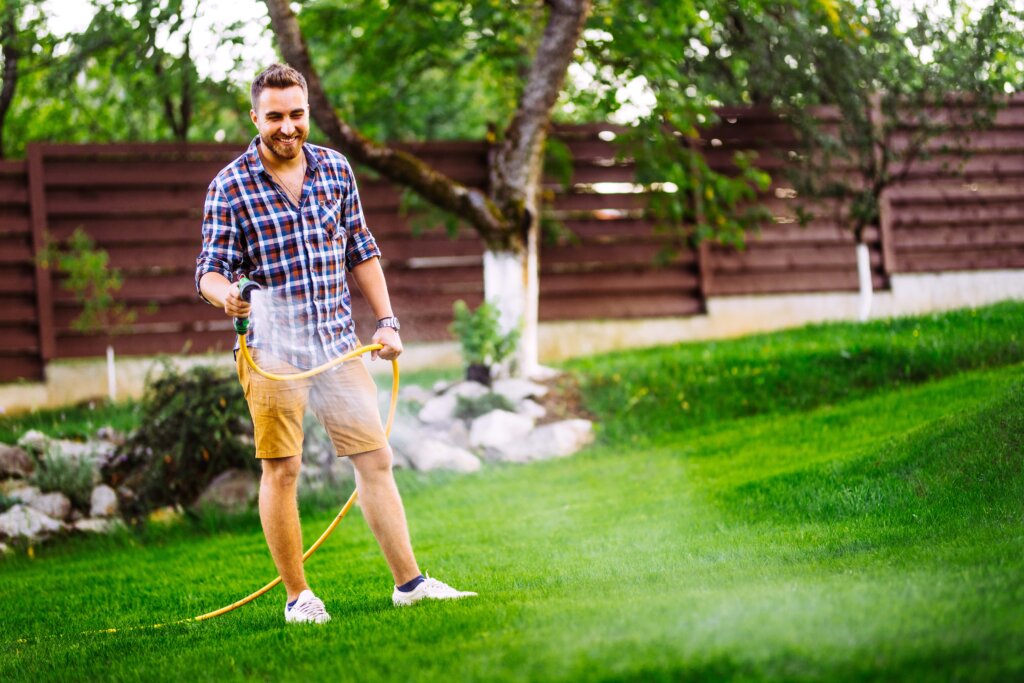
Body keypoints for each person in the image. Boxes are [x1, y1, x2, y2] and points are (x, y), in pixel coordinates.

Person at [195, 63, 475, 624]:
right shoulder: (229, 185)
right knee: (284, 469)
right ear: (255, 118)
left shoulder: (335, 170)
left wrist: (388, 321)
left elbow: (361, 251)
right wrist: (226, 296)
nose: (287, 126)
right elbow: (209, 269)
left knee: (376, 459)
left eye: (296, 114)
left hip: (337, 346)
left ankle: (410, 584)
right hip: (272, 355)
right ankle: (299, 598)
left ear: (307, 113)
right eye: (274, 116)